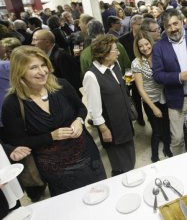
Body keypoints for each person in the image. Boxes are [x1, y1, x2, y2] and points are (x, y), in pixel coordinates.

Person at [2, 46, 106, 196]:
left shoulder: (61, 85)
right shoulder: (12, 103)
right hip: (56, 170)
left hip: (87, 156)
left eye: (43, 65)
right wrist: (51, 136)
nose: (42, 71)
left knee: (101, 195)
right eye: (33, 67)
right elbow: (18, 141)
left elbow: (81, 108)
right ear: (19, 72)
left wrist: (78, 121)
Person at [152, 9, 187, 155]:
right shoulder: (159, 47)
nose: (173, 29)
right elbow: (157, 75)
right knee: (177, 139)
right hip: (177, 100)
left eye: (175, 23)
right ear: (164, 28)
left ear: (182, 21)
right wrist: (179, 77)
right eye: (168, 26)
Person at [83, 34, 136, 176]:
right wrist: (103, 129)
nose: (118, 53)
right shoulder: (91, 76)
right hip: (111, 126)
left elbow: (119, 85)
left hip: (124, 119)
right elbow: (94, 108)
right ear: (105, 54)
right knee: (120, 163)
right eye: (115, 50)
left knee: (130, 155)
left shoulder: (115, 65)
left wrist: (127, 81)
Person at [132, 33, 172, 162]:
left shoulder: (159, 56)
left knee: (166, 126)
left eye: (147, 44)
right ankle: (154, 156)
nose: (144, 48)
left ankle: (167, 148)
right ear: (137, 48)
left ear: (151, 43)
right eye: (141, 46)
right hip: (150, 101)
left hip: (164, 98)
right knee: (156, 130)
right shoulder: (137, 63)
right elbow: (140, 90)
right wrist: (154, 107)